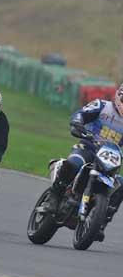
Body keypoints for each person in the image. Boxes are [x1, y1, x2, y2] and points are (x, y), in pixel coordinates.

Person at [46, 85, 123, 238]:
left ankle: (101, 221)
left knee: (120, 184)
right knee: (73, 164)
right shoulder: (102, 106)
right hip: (88, 147)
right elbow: (80, 114)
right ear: (119, 96)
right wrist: (77, 123)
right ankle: (54, 196)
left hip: (111, 156)